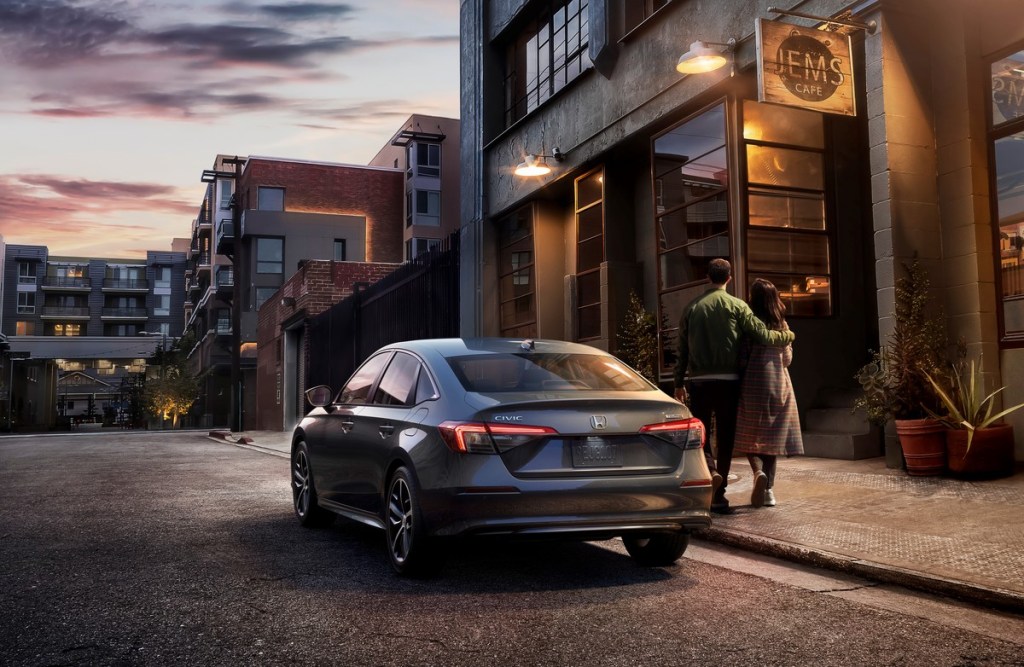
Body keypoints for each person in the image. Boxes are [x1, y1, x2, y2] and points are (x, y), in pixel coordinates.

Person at [673, 259, 795, 514]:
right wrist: (788, 335)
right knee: (726, 437)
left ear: (708, 277)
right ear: (729, 278)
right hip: (730, 381)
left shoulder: (692, 307)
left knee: (702, 435)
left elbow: (682, 351)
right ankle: (720, 495)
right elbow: (763, 335)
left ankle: (712, 472)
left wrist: (678, 383)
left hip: (699, 382)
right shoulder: (739, 306)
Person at [734, 278, 804, 508]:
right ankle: (769, 492)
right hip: (778, 384)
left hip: (752, 385)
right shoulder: (781, 323)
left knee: (749, 436)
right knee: (772, 439)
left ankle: (757, 473)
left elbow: (742, 358)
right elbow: (787, 359)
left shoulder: (748, 323)